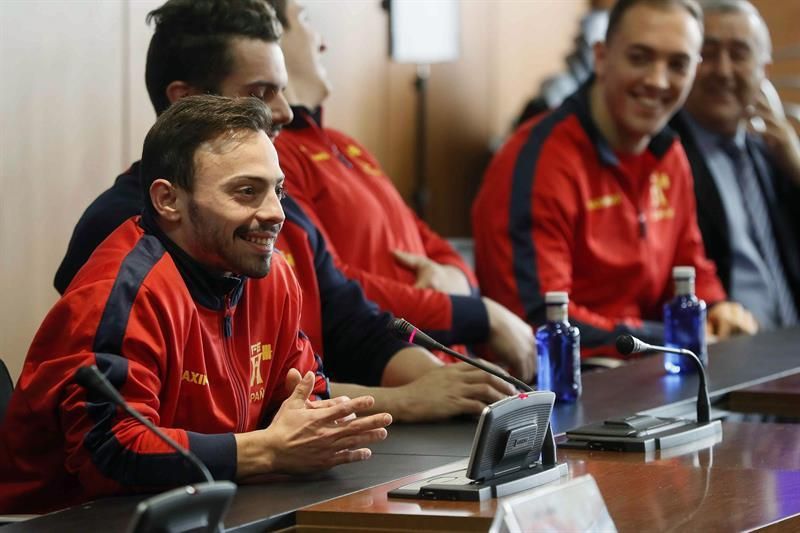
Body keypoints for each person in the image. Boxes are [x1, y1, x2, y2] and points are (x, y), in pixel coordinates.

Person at [53, 0, 515, 422]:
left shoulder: (280, 213)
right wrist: (409, 400)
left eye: (282, 90)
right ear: (185, 100)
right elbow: (186, 419)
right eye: (261, 93)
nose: (286, 112)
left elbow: (354, 327)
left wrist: (447, 385)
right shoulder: (121, 231)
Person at [0, 96, 393, 513]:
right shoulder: (122, 293)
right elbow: (110, 453)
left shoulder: (272, 276)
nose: (277, 213)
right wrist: (267, 450)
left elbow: (304, 396)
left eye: (278, 190)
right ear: (168, 201)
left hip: (201, 507)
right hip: (64, 521)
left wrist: (312, 428)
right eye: (246, 192)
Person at [269, 0, 537, 382]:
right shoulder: (277, 157)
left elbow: (433, 243)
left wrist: (454, 281)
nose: (323, 42)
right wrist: (473, 313)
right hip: (396, 374)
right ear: (270, 38)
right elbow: (332, 286)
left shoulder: (345, 145)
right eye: (306, 21)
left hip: (450, 368)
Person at [472, 0, 758, 357]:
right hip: (561, 388)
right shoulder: (537, 162)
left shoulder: (669, 153)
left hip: (654, 373)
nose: (657, 80)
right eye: (639, 57)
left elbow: (689, 268)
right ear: (601, 57)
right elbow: (540, 320)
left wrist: (717, 308)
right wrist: (669, 337)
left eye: (678, 64)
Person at [670, 0, 800, 330]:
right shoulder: (662, 155)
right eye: (707, 53)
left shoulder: (773, 154)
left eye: (739, 54)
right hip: (728, 352)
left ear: (764, 71)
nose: (723, 70)